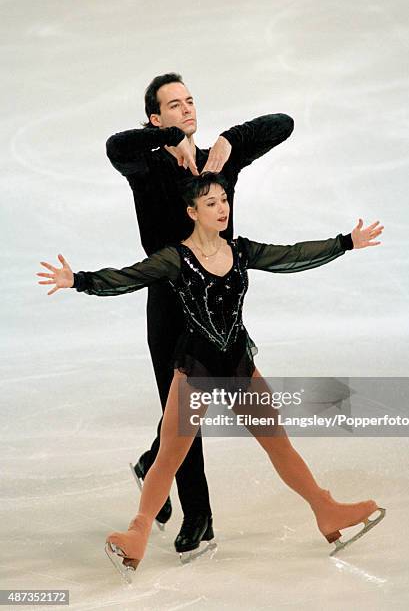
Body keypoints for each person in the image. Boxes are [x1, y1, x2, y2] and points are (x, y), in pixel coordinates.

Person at [37, 172, 386, 583]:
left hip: (238, 363)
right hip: (198, 367)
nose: (222, 209)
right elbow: (128, 276)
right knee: (169, 456)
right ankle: (137, 535)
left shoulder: (239, 251)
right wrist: (78, 281)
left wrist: (345, 242)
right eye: (211, 204)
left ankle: (326, 511)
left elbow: (290, 255)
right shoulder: (175, 258)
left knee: (280, 447)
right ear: (192, 212)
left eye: (224, 200)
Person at [105, 71, 295, 557]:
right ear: (155, 118)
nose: (187, 110)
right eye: (174, 106)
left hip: (216, 301)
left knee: (184, 412)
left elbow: (283, 123)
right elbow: (115, 145)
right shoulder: (145, 166)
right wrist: (172, 141)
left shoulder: (215, 162)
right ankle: (199, 514)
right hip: (168, 301)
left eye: (190, 102)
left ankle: (154, 461)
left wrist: (230, 142)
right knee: (185, 413)